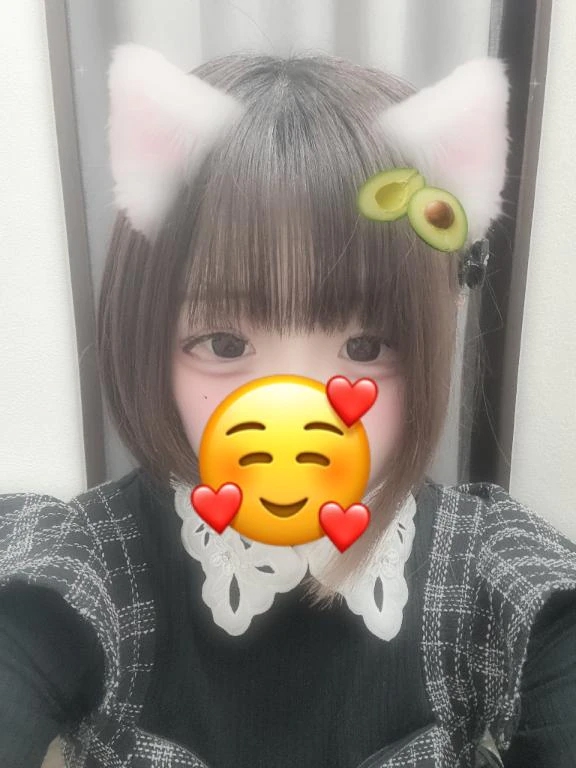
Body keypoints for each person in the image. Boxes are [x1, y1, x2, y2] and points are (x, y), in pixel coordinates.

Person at [0, 43, 575, 768]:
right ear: (147, 334)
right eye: (223, 342)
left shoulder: (492, 570)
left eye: (366, 346)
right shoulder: (85, 566)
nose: (297, 415)